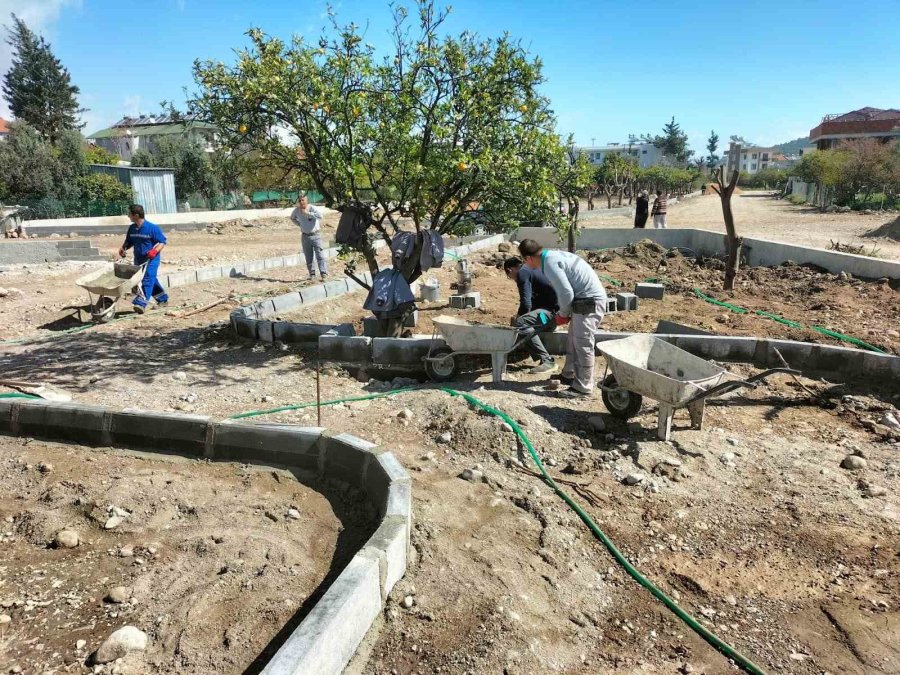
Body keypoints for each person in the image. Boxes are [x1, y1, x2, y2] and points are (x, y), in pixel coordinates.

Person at [518, 239, 607, 398]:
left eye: (524, 261)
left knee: (582, 343)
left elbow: (566, 293)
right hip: (584, 301)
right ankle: (569, 375)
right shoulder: (552, 256)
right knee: (573, 340)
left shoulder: (550, 263)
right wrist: (564, 312)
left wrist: (563, 314)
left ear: (529, 258)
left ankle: (583, 387)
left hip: (589, 302)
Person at [504, 256, 558, 374]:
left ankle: (547, 360)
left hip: (549, 316)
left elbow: (525, 304)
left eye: (509, 276)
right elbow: (530, 303)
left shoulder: (522, 273)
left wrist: (518, 319)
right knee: (524, 323)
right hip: (551, 318)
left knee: (521, 323)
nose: (512, 279)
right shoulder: (533, 269)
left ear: (510, 270)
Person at [117, 204, 168, 314]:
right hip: (138, 259)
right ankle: (162, 299)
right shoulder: (132, 228)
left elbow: (162, 242)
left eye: (129, 213)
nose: (128, 215)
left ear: (135, 215)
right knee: (151, 279)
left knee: (147, 279)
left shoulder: (152, 228)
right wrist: (123, 248)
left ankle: (141, 303)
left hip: (151, 259)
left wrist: (154, 251)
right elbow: (129, 241)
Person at [292, 194, 328, 280]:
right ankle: (312, 274)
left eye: (303, 200)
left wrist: (308, 213)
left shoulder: (312, 208)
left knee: (320, 255)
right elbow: (292, 218)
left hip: (316, 235)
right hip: (305, 237)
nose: (301, 202)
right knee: (308, 256)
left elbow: (320, 216)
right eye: (300, 201)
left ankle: (323, 273)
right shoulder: (297, 211)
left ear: (307, 201)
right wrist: (299, 224)